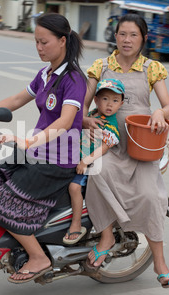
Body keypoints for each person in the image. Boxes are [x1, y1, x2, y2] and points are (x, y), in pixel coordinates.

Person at [0, 13, 86, 284]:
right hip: (36, 152)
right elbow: (18, 98)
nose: (39, 48)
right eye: (36, 42)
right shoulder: (45, 74)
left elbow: (66, 121)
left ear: (62, 41)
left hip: (58, 160)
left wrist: (29, 141)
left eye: (44, 42)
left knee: (0, 203)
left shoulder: (74, 79)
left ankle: (38, 257)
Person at [83, 13, 169, 288]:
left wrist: (159, 112)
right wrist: (86, 119)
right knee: (95, 174)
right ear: (115, 37)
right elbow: (83, 104)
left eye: (133, 35)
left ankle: (159, 262)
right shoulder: (100, 67)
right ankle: (106, 236)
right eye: (122, 34)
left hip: (141, 149)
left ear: (143, 39)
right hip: (108, 146)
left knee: (151, 196)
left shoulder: (152, 68)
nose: (127, 40)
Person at [63, 78, 124, 245]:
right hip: (77, 157)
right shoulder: (92, 115)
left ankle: (76, 223)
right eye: (105, 99)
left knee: (74, 187)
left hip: (91, 164)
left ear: (121, 103)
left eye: (115, 100)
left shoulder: (110, 125)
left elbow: (104, 148)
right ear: (96, 100)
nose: (109, 104)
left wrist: (85, 161)